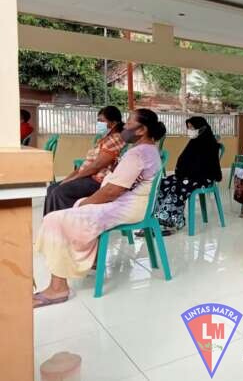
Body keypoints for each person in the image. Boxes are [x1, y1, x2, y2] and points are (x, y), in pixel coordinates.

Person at [33, 109, 166, 307]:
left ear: (142, 130)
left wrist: (86, 203)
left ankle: (58, 288)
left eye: (129, 123)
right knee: (70, 210)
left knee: (55, 219)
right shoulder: (149, 150)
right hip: (132, 205)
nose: (125, 126)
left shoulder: (138, 154)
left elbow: (112, 191)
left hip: (127, 207)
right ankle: (85, 259)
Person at [43, 106, 126, 216]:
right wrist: (68, 179)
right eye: (98, 121)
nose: (99, 124)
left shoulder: (116, 139)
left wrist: (73, 179)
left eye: (102, 121)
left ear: (113, 123)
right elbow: (85, 165)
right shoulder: (104, 139)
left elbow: (96, 166)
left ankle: (65, 223)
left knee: (60, 192)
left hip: (97, 181)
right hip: (88, 177)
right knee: (52, 188)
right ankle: (49, 222)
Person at [154, 116, 222, 235]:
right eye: (188, 127)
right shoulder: (193, 142)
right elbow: (183, 160)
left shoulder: (210, 145)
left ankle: (172, 223)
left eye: (192, 128)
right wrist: (182, 172)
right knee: (163, 183)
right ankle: (156, 220)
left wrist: (186, 173)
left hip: (203, 178)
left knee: (178, 187)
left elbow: (206, 168)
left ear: (201, 128)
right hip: (188, 176)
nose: (190, 130)